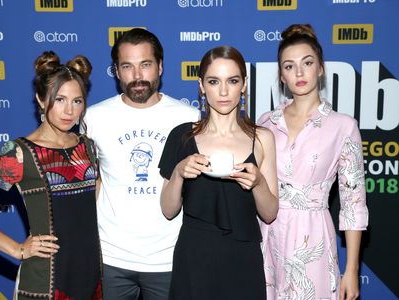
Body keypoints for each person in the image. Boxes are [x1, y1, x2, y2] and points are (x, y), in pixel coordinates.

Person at [0, 51, 102, 299]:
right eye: (60, 100)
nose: (69, 110)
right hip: (45, 280)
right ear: (41, 99)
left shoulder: (88, 146)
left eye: (77, 101)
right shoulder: (19, 153)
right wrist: (18, 249)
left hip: (91, 275)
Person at [83, 28, 200, 300]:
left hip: (169, 259)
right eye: (127, 66)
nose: (137, 76)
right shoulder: (94, 118)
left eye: (145, 65)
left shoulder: (188, 118)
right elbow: (90, 183)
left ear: (160, 67)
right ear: (116, 71)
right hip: (110, 258)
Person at [258, 24, 369, 300]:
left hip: (312, 239)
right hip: (266, 236)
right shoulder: (265, 123)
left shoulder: (343, 127)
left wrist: (352, 269)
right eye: (289, 66)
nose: (299, 73)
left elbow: (353, 203)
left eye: (307, 63)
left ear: (320, 68)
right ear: (281, 75)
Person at [158, 46, 279, 300]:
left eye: (232, 81)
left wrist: (258, 183)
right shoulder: (182, 136)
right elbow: (168, 210)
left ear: (243, 85)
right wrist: (179, 173)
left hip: (243, 258)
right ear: (201, 85)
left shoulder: (263, 138)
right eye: (214, 81)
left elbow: (269, 214)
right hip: (194, 258)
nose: (223, 91)